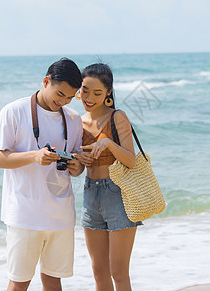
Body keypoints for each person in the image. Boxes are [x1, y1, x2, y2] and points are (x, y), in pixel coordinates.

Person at [0, 58, 85, 291]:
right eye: (60, 94)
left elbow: (78, 165)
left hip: (61, 215)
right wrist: (34, 156)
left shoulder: (73, 118)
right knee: (19, 282)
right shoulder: (13, 111)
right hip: (24, 215)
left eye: (70, 97)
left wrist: (77, 167)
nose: (62, 101)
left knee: (54, 280)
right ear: (46, 81)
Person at [74, 63, 142, 291]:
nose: (89, 97)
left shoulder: (117, 117)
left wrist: (109, 144)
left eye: (97, 92)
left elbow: (131, 160)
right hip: (90, 195)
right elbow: (78, 169)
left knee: (118, 272)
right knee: (99, 271)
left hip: (118, 194)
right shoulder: (76, 122)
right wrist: (78, 161)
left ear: (109, 93)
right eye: (85, 90)